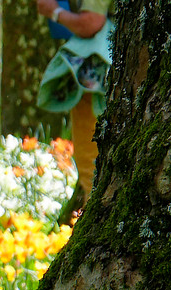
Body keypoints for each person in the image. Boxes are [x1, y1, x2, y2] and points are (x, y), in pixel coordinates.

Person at [34, 0, 109, 213]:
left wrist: (54, 12)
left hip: (96, 82)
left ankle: (95, 225)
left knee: (92, 168)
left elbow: (91, 23)